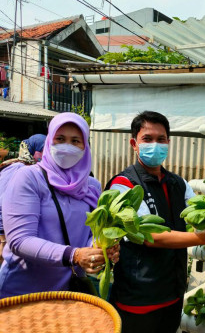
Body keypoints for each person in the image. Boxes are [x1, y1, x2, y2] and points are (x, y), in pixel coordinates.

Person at [107, 111, 205, 333]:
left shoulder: (178, 183)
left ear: (169, 142)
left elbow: (201, 214)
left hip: (173, 292)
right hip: (138, 297)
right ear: (134, 143)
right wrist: (202, 238)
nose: (155, 145)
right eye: (147, 139)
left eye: (161, 139)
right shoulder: (123, 185)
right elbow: (148, 237)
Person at [0, 113, 119, 298]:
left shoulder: (91, 186)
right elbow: (20, 240)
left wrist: (101, 249)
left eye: (75, 141)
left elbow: (91, 234)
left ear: (85, 146)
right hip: (22, 292)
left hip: (68, 292)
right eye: (60, 139)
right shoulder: (29, 178)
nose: (67, 146)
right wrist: (75, 255)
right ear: (49, 142)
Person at [0, 134, 46, 264]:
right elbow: (1, 203)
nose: (44, 154)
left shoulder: (39, 171)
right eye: (41, 150)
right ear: (32, 150)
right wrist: (3, 239)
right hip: (7, 237)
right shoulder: (18, 168)